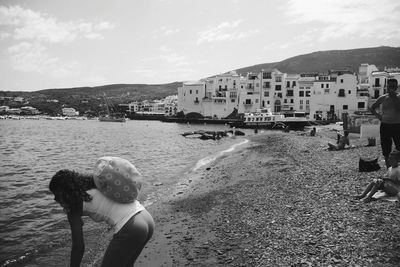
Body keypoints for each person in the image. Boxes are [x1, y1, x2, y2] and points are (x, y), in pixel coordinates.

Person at [49, 158, 154, 267]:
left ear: (64, 192)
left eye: (56, 194)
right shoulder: (97, 183)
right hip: (146, 218)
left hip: (131, 228)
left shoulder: (73, 206)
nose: (55, 199)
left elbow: (78, 247)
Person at [370, 78, 400, 169]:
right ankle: (388, 168)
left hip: (397, 125)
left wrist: (394, 97)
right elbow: (372, 107)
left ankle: (398, 167)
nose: (392, 88)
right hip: (385, 125)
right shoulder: (382, 98)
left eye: (394, 87)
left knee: (399, 146)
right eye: (390, 86)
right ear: (387, 87)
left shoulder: (399, 97)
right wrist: (378, 116)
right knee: (386, 147)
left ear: (397, 87)